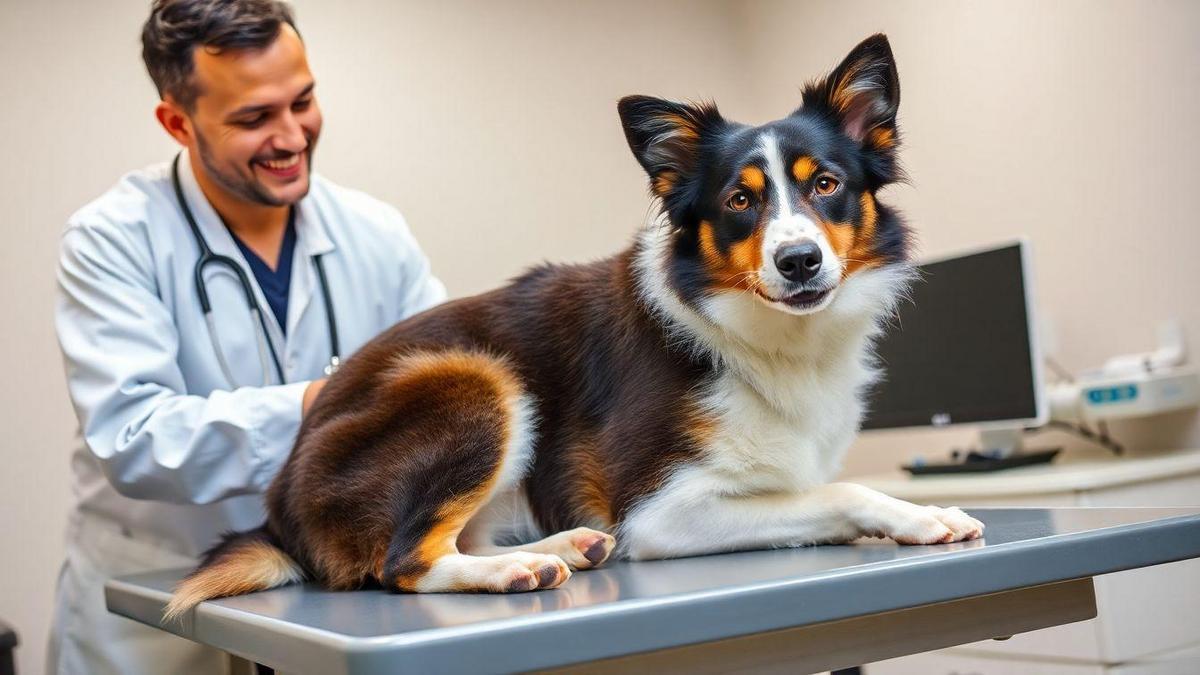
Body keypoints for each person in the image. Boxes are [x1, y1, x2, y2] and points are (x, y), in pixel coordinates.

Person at [47, 1, 446, 673]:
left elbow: (434, 393)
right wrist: (325, 402)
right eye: (255, 118)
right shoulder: (112, 239)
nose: (292, 135)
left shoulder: (375, 233)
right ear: (178, 122)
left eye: (304, 101)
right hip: (156, 613)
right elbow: (133, 434)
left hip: (329, 601)